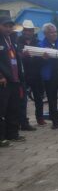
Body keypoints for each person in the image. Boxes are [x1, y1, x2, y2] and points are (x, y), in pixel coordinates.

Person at [0, 16, 26, 147]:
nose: (9, 29)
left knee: (13, 108)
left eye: (10, 26)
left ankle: (13, 134)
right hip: (3, 81)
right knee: (2, 109)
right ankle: (1, 137)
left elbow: (16, 59)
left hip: (15, 79)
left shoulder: (11, 40)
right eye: (6, 26)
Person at [16, 20, 43, 131]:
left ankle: (40, 118)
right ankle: (23, 122)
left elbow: (42, 58)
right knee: (22, 100)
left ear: (33, 31)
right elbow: (15, 58)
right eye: (26, 30)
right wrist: (22, 56)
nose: (28, 32)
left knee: (39, 98)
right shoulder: (17, 42)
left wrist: (43, 57)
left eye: (30, 30)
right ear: (23, 31)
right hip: (23, 75)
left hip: (36, 74)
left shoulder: (38, 42)